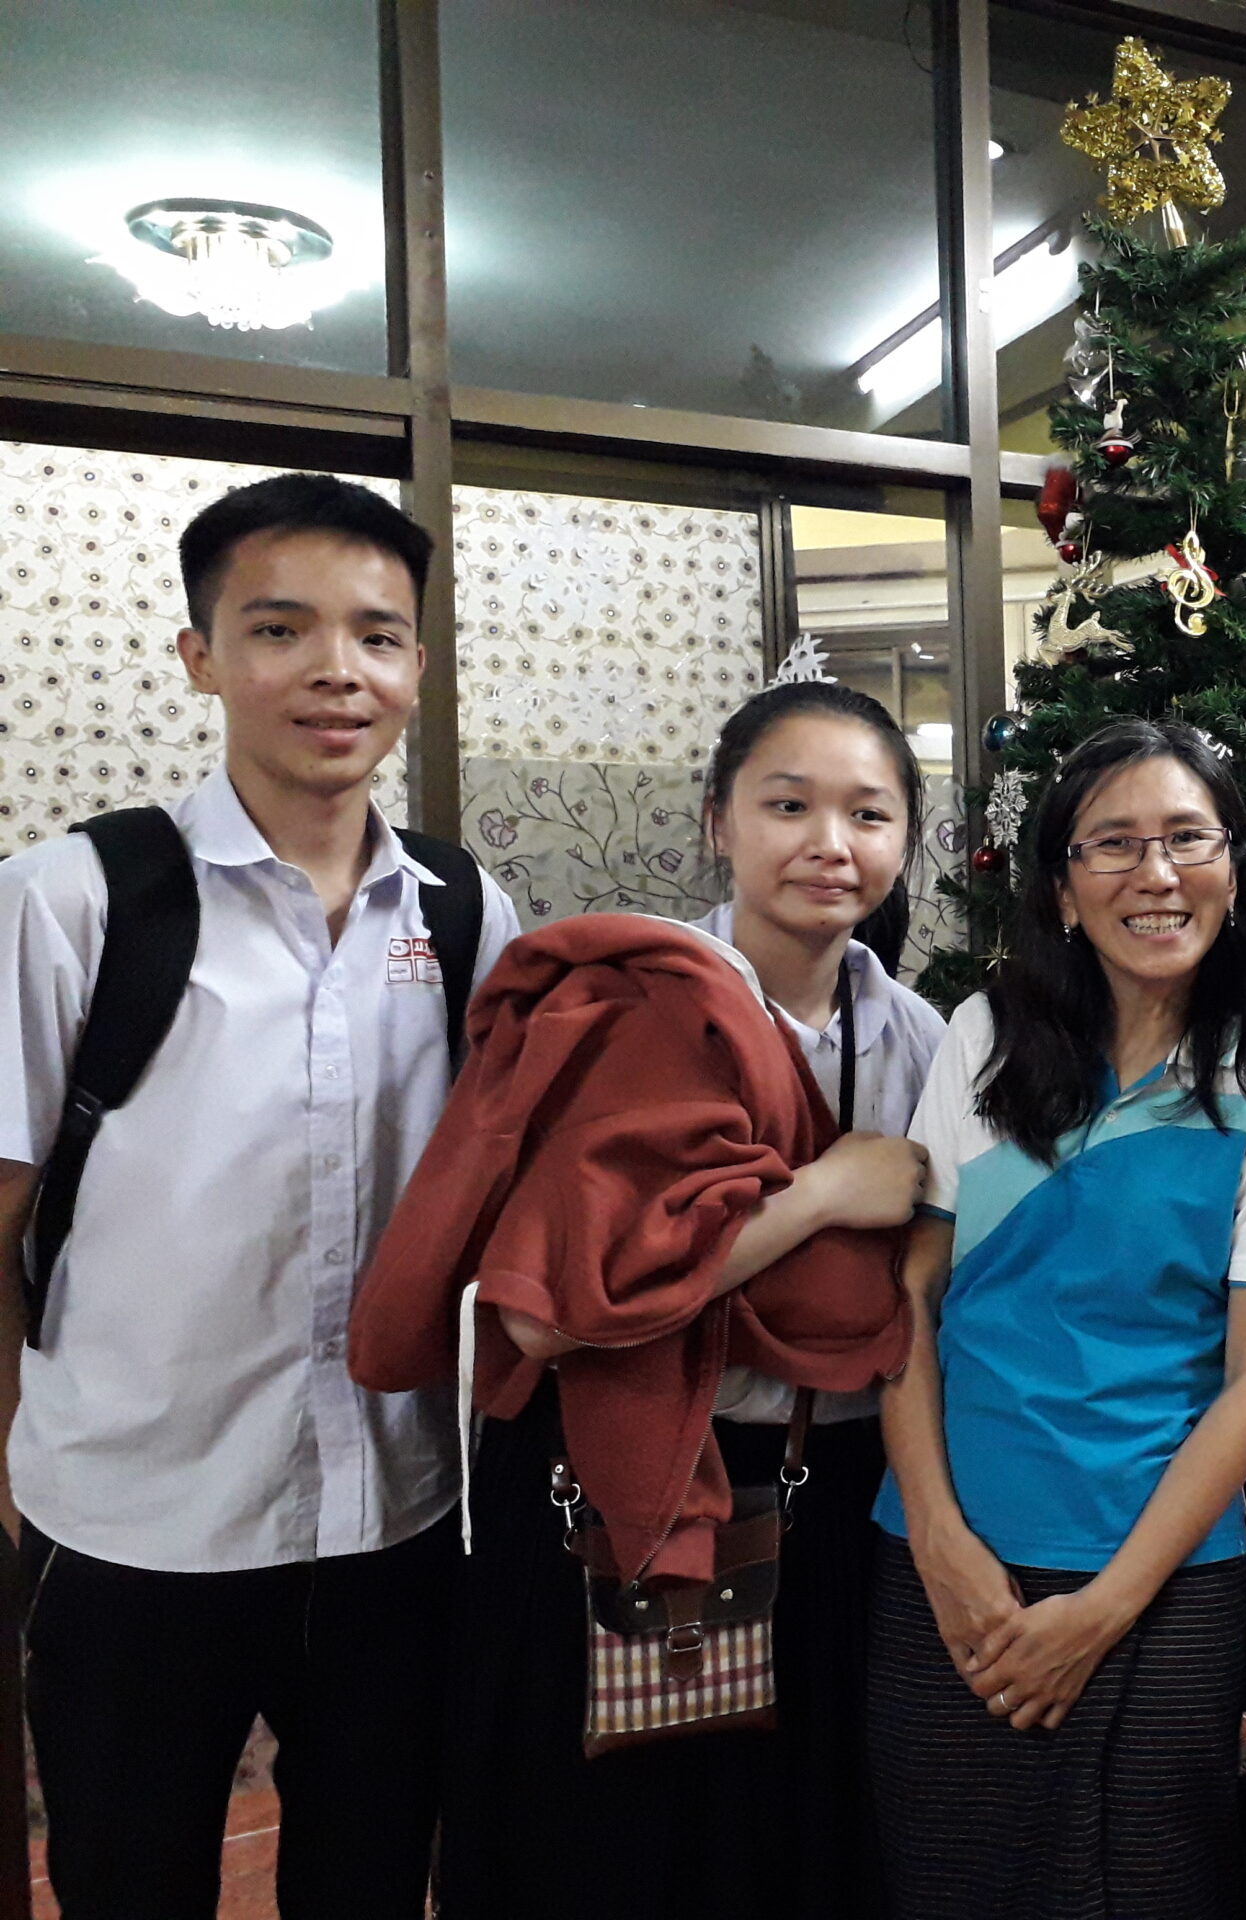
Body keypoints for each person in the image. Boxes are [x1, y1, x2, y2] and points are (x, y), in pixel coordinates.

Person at [0, 473, 518, 1916]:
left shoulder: (467, 912)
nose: (334, 672)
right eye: (281, 629)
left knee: (367, 1882)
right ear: (201, 656)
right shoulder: (72, 901)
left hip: (397, 1523)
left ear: (417, 664)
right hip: (135, 1528)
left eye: (376, 634)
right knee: (125, 1881)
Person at [414, 677, 940, 1919]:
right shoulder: (638, 1008)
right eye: (787, 804)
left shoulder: (920, 1037)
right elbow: (553, 1308)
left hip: (833, 1500)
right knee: (615, 1853)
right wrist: (813, 1202)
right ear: (717, 821)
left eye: (868, 814)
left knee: (790, 1854)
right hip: (625, 1497)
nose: (829, 843)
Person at [871, 718, 1246, 1920]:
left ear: (1233, 871)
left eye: (1189, 839)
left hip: (1161, 1576)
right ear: (1063, 889)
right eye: (1114, 845)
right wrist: (937, 1539)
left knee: (1145, 1889)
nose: (1156, 873)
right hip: (949, 1565)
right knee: (953, 1882)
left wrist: (1106, 1609)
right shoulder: (984, 1041)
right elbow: (908, 1301)